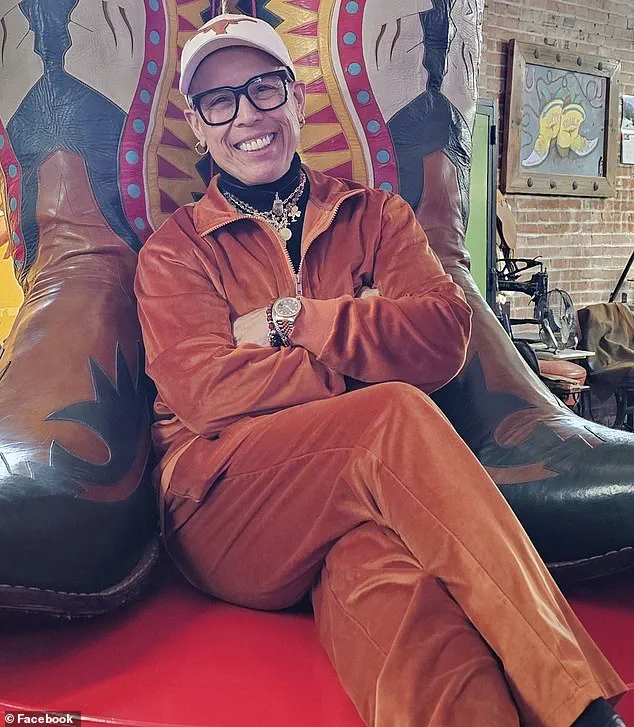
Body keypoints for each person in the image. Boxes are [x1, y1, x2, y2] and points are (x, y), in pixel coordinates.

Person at [134, 14, 627, 727]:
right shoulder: (175, 251)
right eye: (219, 100)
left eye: (264, 88)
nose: (247, 115)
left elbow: (445, 338)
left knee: (391, 588)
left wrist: (296, 320)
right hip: (223, 506)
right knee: (392, 412)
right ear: (197, 124)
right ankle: (581, 711)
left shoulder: (375, 216)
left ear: (295, 96)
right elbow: (208, 393)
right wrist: (368, 350)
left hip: (354, 498)